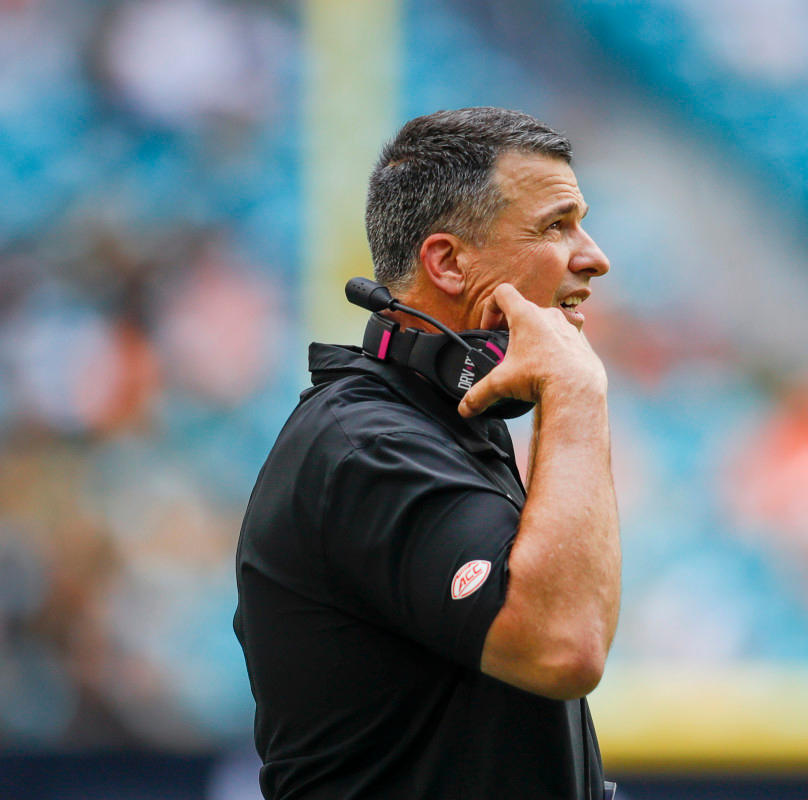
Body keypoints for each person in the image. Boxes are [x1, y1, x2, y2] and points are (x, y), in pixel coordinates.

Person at [234, 107, 621, 799]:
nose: (593, 255)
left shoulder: (447, 424)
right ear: (447, 261)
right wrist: (576, 390)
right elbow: (563, 647)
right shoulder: (368, 447)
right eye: (555, 226)